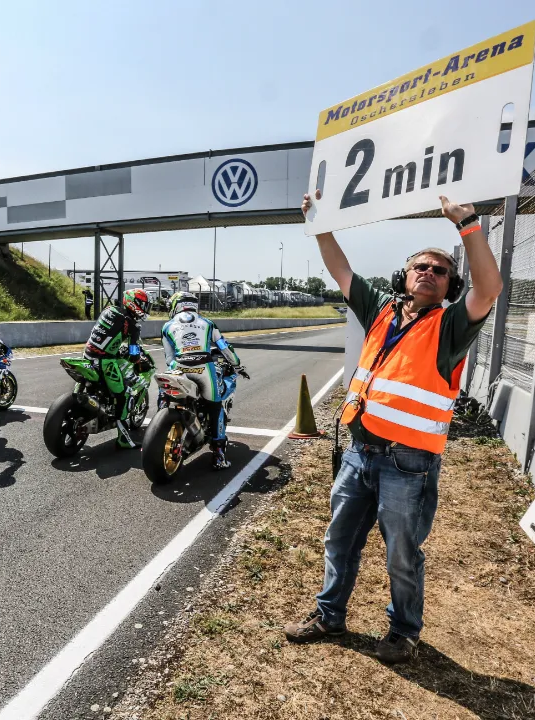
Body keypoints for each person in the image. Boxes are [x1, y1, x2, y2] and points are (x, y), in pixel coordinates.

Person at [283, 191, 503, 665]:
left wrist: (468, 226)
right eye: (420, 266)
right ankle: (329, 615)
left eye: (439, 270)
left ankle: (403, 632)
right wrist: (320, 223)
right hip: (361, 452)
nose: (428, 272)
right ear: (404, 276)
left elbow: (488, 290)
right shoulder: (381, 309)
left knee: (402, 553)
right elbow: (339, 268)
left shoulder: (451, 326)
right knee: (339, 540)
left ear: (449, 285)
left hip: (409, 462)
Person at [161, 291, 247, 470]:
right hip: (203, 367)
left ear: (176, 305)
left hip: (178, 367)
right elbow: (224, 347)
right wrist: (237, 365)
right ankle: (219, 456)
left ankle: (161, 425)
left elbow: (168, 358)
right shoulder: (207, 323)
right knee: (215, 407)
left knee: (166, 397)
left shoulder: (167, 326)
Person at [83, 288, 151, 449]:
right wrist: (138, 360)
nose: (145, 309)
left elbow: (107, 333)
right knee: (123, 396)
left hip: (87, 354)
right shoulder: (133, 325)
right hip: (105, 361)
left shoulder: (109, 310)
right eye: (143, 305)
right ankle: (123, 439)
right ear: (134, 303)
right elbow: (134, 353)